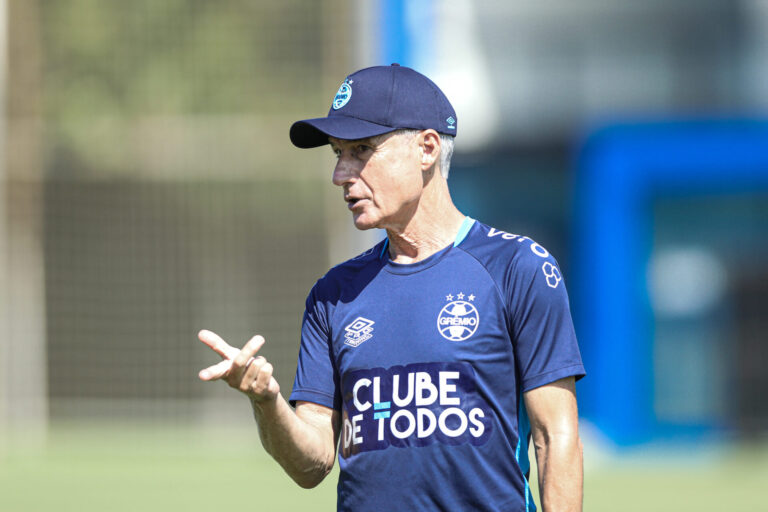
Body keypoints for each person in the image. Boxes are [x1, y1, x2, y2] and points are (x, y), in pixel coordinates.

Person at [198, 64, 585, 511]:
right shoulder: (333, 293)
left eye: (361, 150)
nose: (340, 174)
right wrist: (266, 402)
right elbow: (311, 464)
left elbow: (555, 437)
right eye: (337, 154)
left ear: (426, 148)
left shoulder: (517, 267)